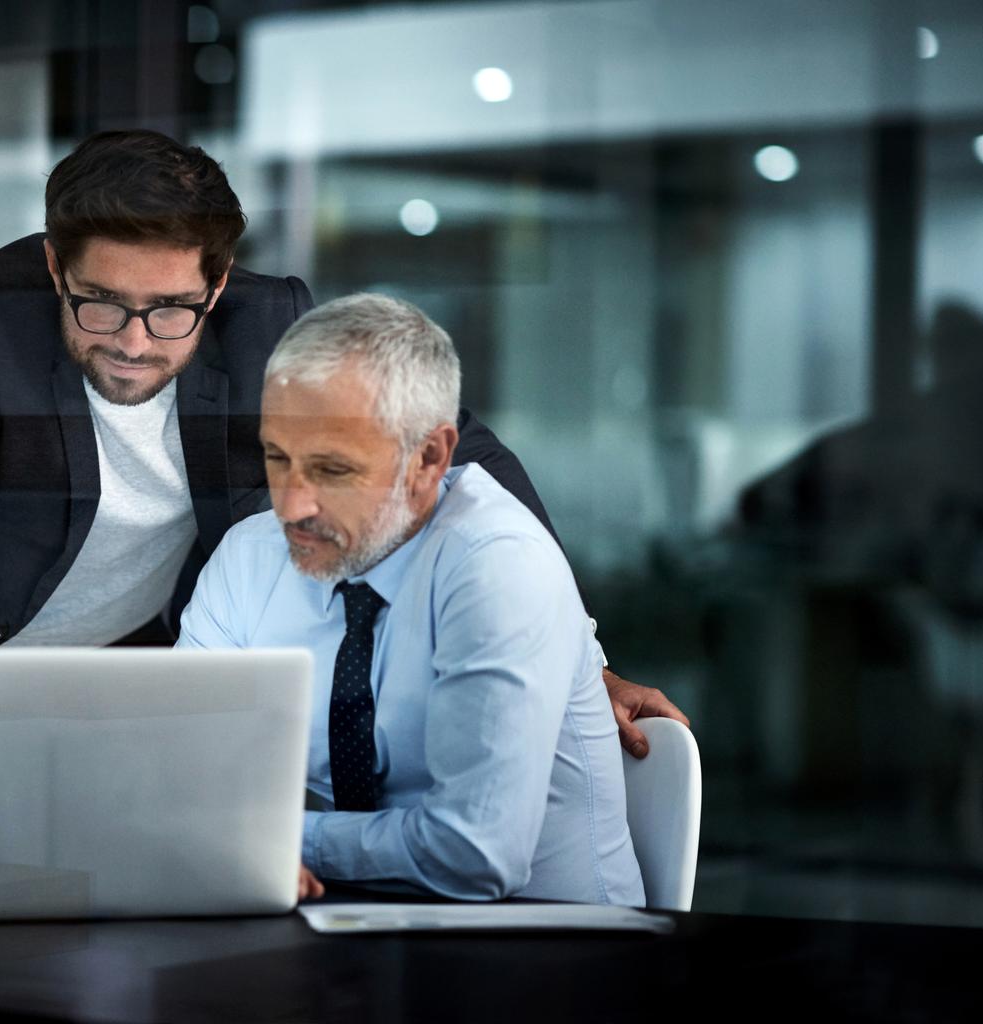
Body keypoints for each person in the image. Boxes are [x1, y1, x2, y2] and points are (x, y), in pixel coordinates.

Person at [0, 128, 685, 771]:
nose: (134, 342)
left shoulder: (269, 325)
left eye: (171, 308)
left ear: (219, 279)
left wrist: (584, 663)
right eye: (100, 303)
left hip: (124, 678)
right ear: (57, 266)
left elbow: (462, 457)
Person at [178, 294, 644, 903]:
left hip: (547, 951)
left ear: (429, 458)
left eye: (332, 470)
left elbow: (475, 855)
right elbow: (178, 784)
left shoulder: (497, 564)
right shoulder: (249, 556)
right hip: (348, 939)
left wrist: (273, 839)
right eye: (277, 457)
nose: (291, 506)